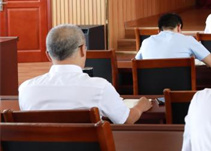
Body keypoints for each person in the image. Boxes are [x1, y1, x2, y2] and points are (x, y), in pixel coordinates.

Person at [19, 25, 152, 123]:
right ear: (83, 50)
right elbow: (126, 120)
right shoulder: (100, 87)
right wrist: (140, 106)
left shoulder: (26, 89)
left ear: (48, 55)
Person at [135, 13, 211, 67]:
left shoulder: (146, 42)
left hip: (151, 88)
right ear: (179, 27)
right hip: (180, 88)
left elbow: (136, 63)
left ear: (159, 30)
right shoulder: (188, 40)